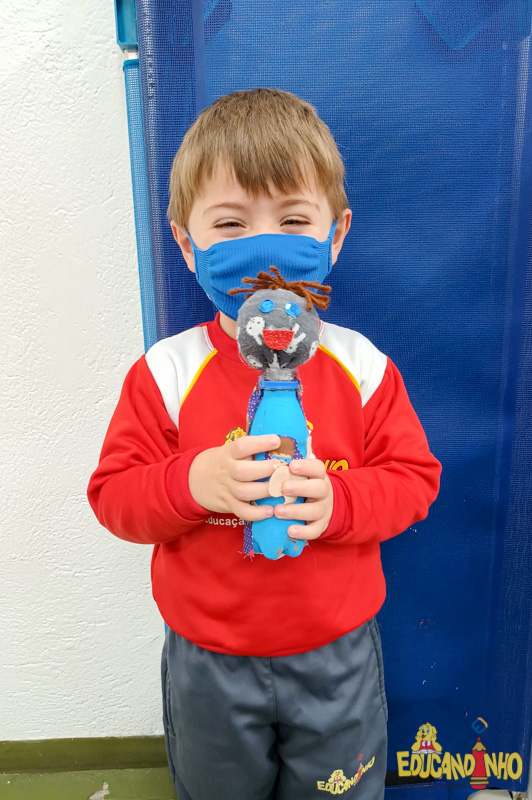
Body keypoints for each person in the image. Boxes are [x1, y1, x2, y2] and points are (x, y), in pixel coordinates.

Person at [87, 88, 441, 800]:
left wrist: (341, 502)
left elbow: (414, 478)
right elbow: (114, 496)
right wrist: (190, 483)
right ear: (185, 243)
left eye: (293, 220)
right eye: (230, 223)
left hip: (336, 652)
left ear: (334, 236)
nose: (264, 245)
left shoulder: (363, 366)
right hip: (208, 660)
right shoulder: (165, 372)